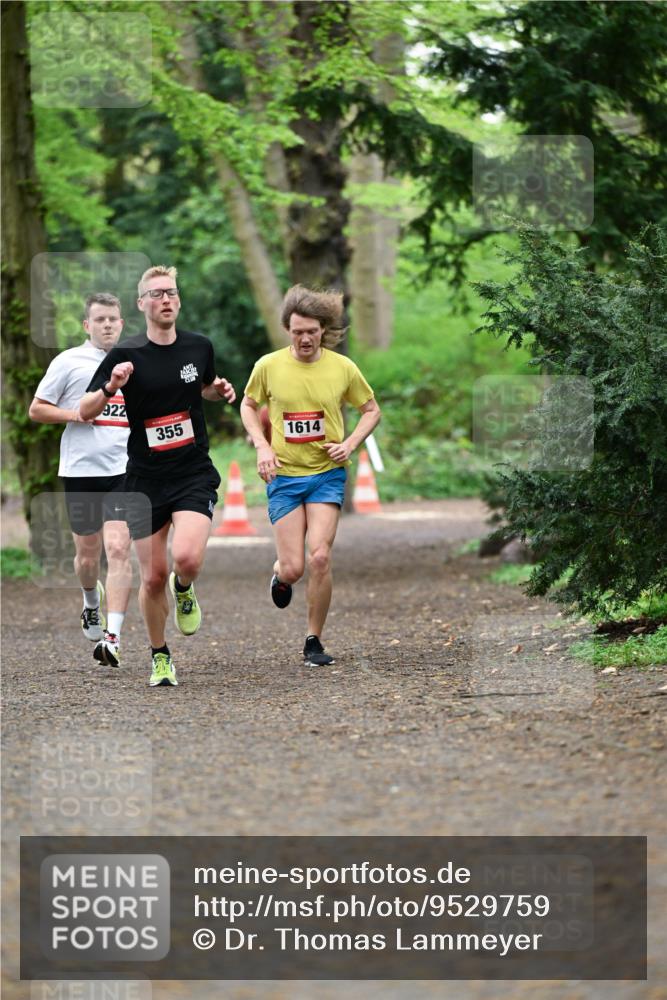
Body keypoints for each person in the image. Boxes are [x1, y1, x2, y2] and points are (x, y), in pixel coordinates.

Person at [80, 265, 236, 688]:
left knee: (185, 559)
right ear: (142, 303)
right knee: (150, 577)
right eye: (156, 293)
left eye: (171, 292)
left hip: (192, 473)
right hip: (146, 481)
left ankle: (183, 587)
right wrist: (111, 386)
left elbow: (200, 386)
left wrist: (216, 390)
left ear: (179, 300)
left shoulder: (199, 347)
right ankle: (159, 656)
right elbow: (86, 411)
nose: (165, 299)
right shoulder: (125, 355)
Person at [240, 285, 381, 666]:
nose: (305, 338)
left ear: (324, 330)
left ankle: (313, 640)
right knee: (294, 567)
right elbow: (248, 406)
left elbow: (371, 410)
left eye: (312, 331)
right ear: (288, 329)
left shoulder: (342, 367)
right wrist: (262, 445)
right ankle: (280, 575)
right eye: (298, 331)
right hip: (284, 476)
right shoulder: (268, 366)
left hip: (326, 475)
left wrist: (349, 444)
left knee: (320, 557)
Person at [29, 292, 132, 668]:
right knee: (88, 557)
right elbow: (36, 409)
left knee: (119, 550)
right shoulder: (68, 362)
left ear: (122, 323)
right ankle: (91, 603)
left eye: (113, 319)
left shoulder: (134, 361)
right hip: (81, 470)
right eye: (100, 320)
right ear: (87, 325)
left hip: (125, 470)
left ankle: (114, 637)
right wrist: (75, 413)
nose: (107, 325)